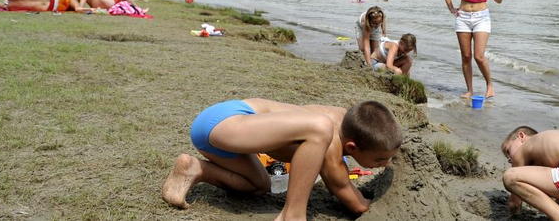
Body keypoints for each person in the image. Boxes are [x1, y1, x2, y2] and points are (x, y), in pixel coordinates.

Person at [161, 99, 402, 221]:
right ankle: (292, 215)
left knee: (258, 186)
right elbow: (355, 202)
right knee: (321, 127)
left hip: (220, 132)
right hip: (229, 120)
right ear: (353, 146)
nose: (385, 164)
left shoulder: (345, 119)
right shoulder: (331, 137)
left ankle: (193, 169)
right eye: (380, 159)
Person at [442, 0, 503, 98]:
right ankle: (469, 90)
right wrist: (451, 8)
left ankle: (489, 85)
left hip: (481, 18)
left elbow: (499, 0)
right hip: (462, 18)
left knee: (479, 56)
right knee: (466, 56)